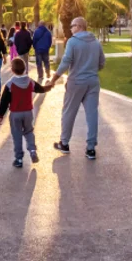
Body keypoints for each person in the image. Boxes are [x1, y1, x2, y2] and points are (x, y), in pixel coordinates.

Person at [50, 16, 106, 160]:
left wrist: (54, 78)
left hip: (76, 82)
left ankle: (64, 143)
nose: (71, 29)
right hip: (93, 82)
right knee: (92, 115)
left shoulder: (73, 42)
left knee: (68, 112)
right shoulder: (96, 42)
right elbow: (102, 63)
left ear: (80, 26)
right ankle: (91, 148)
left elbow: (65, 62)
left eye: (72, 26)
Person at [0, 58, 50, 168]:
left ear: (12, 70)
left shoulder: (10, 84)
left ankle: (19, 159)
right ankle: (32, 150)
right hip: (28, 112)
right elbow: (40, 89)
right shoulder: (30, 81)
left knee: (17, 135)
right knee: (29, 131)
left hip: (15, 114)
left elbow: (4, 101)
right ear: (25, 69)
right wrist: (48, 86)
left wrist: (0, 115)